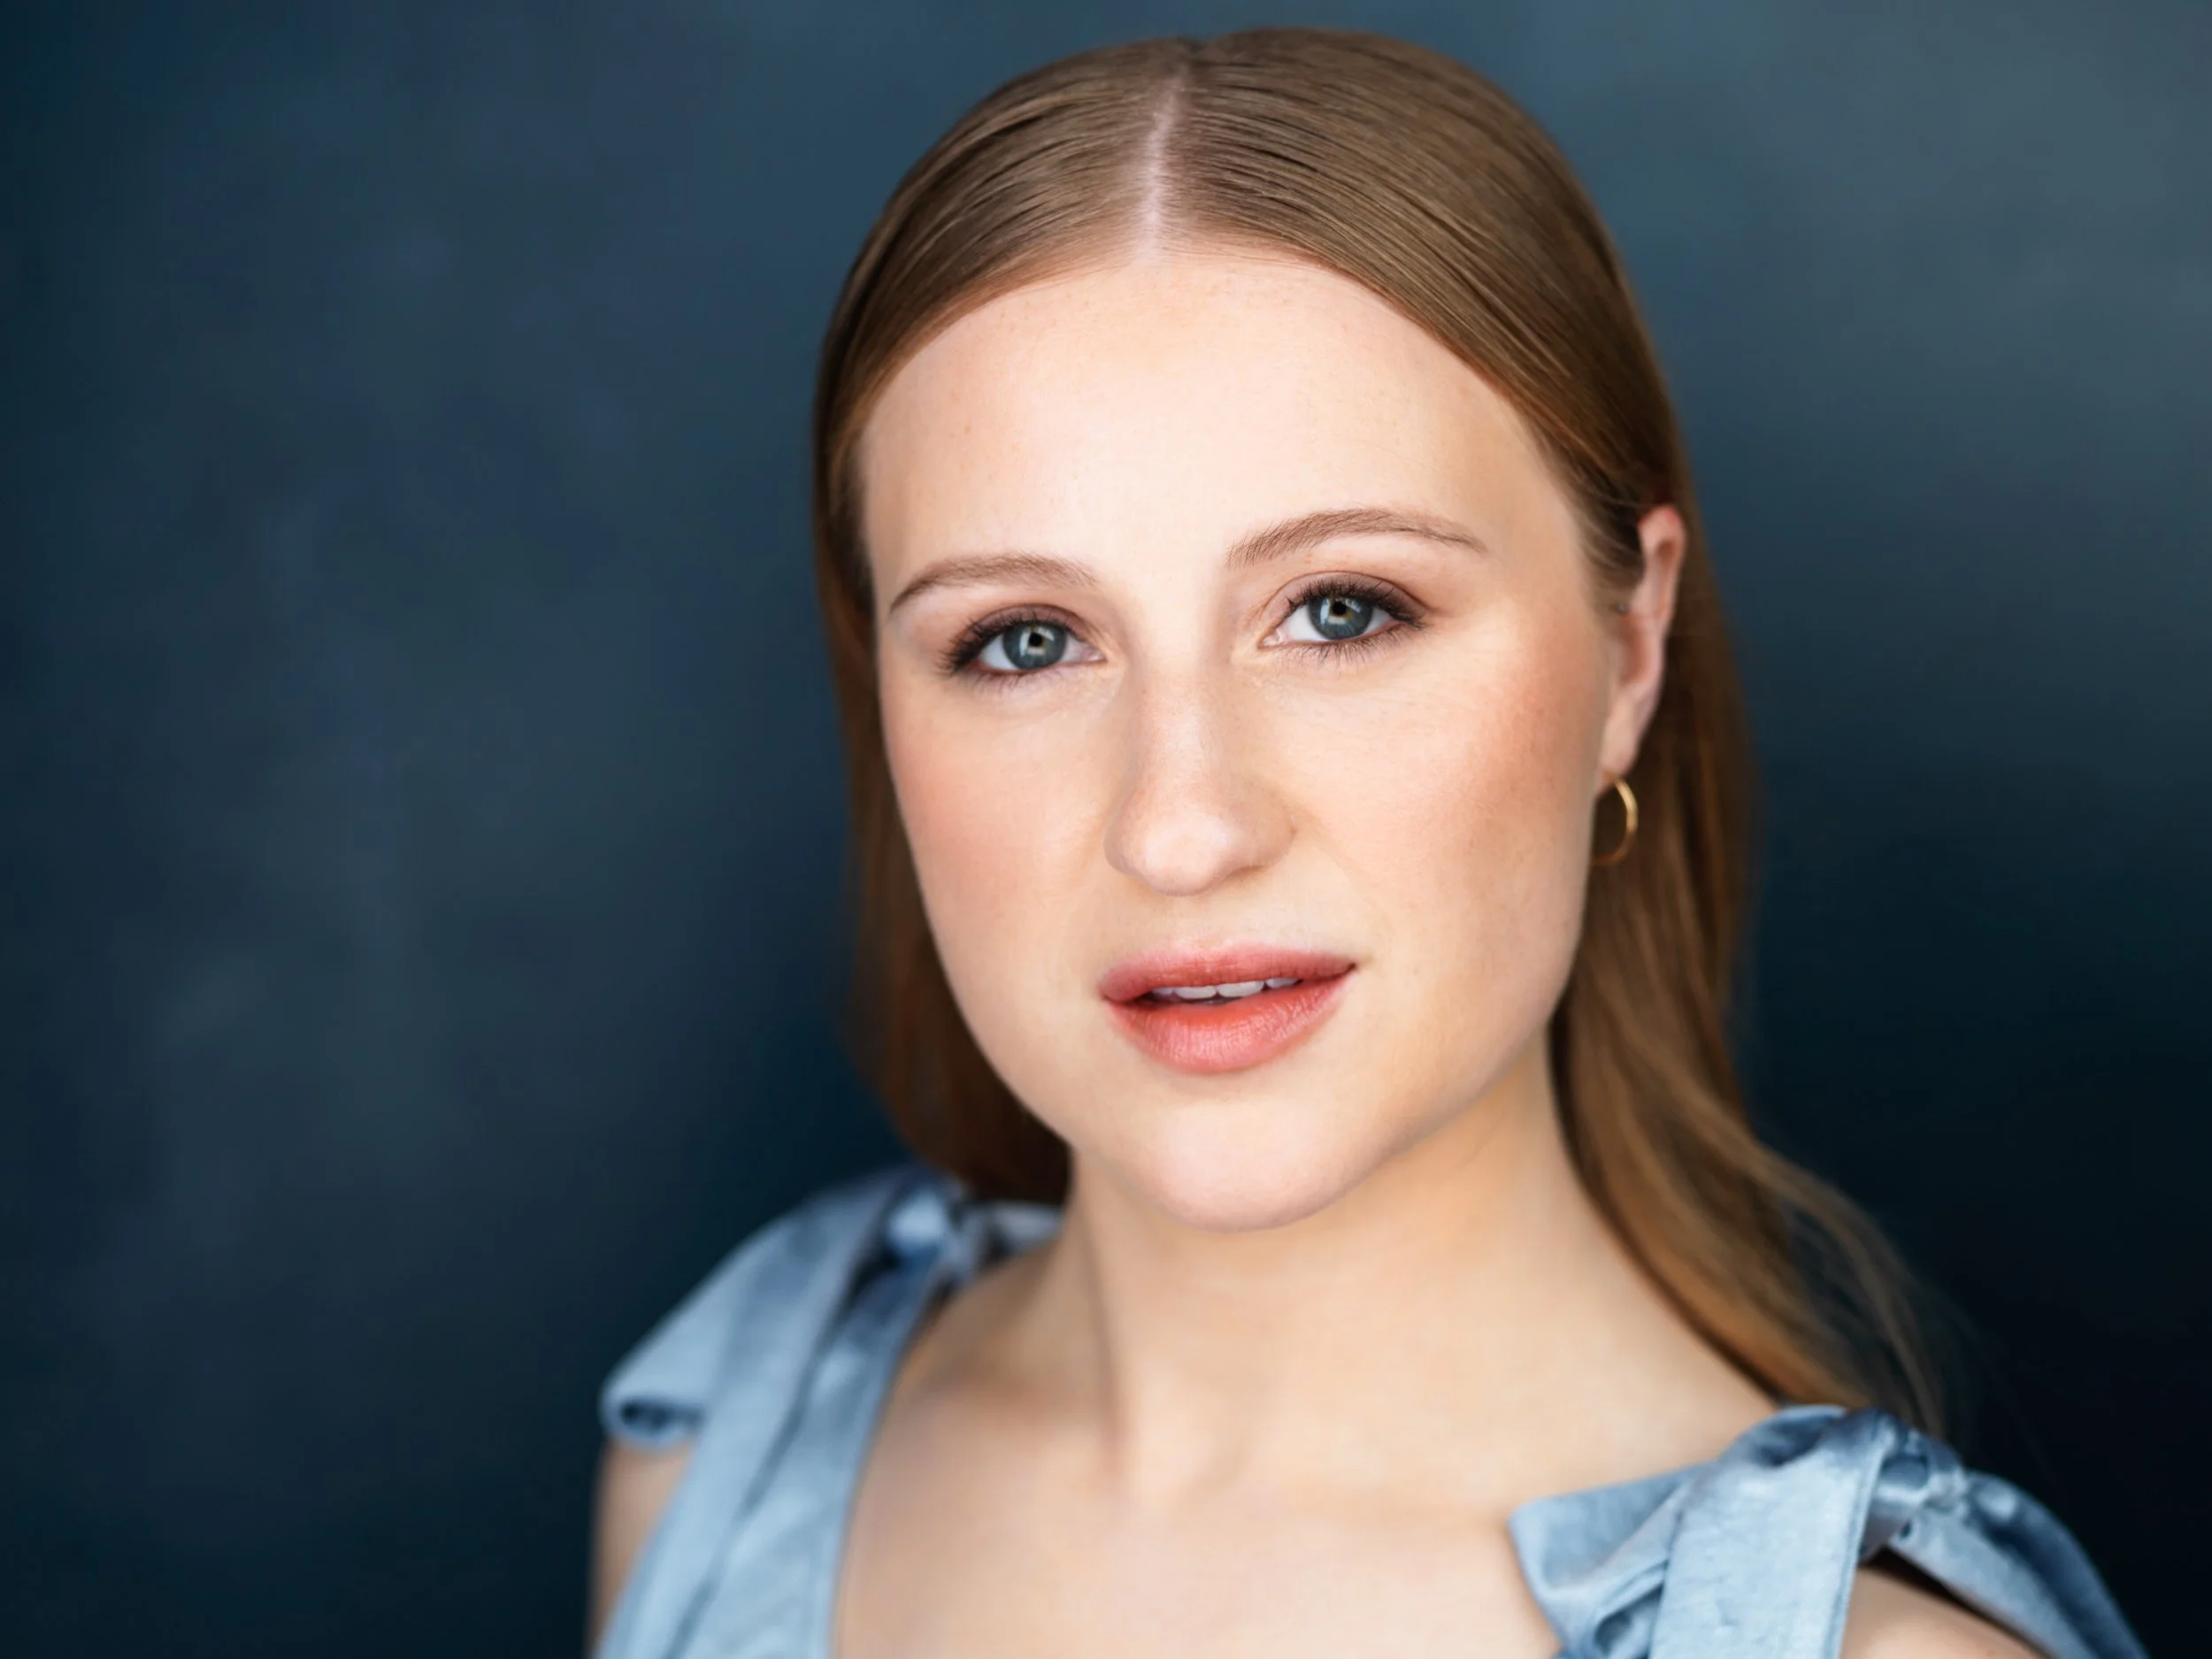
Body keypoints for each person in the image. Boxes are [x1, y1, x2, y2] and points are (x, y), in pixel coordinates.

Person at [584, 29, 2143, 1659]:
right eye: (1026, 642)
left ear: (1628, 650)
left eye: (1343, 611)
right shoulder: (717, 1461)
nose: (1182, 827)